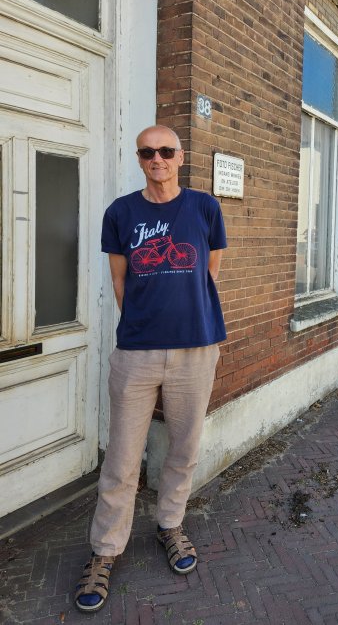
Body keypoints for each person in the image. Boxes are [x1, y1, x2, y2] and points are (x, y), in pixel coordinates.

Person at [74, 125, 227, 613]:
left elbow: (210, 272)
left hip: (195, 349)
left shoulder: (205, 208)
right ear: (139, 159)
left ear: (180, 157)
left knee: (183, 449)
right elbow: (120, 282)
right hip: (137, 351)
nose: (156, 158)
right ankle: (105, 549)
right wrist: (145, 322)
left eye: (165, 150)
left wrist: (186, 315)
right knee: (122, 458)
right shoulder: (120, 213)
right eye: (147, 152)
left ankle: (170, 524)